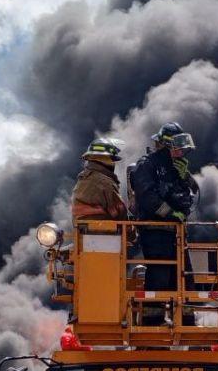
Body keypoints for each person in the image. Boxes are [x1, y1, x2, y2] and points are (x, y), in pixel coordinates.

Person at [130, 122, 199, 296]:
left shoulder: (177, 168)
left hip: (176, 233)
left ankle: (186, 321)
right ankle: (153, 320)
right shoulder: (147, 165)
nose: (180, 153)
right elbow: (147, 197)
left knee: (185, 281)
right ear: (164, 145)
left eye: (182, 149)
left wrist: (185, 179)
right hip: (155, 233)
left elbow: (188, 198)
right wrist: (169, 212)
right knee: (159, 280)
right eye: (177, 149)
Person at [71, 137, 128, 221]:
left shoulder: (82, 180)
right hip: (105, 232)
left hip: (82, 232)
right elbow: (120, 213)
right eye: (112, 159)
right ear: (105, 159)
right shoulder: (106, 183)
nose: (113, 163)